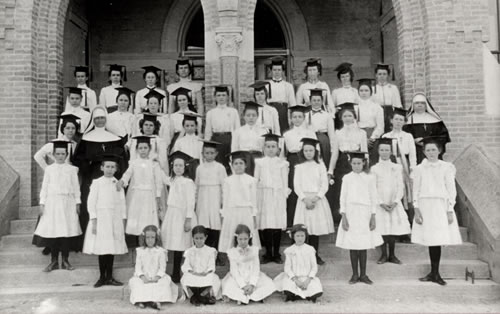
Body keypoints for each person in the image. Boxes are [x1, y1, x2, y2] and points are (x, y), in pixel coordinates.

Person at [72, 106, 128, 251]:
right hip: (92, 178)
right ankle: (87, 241)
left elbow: (121, 160)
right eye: (97, 118)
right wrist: (89, 163)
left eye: (102, 118)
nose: (100, 120)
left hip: (111, 179)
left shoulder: (115, 139)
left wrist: (118, 176)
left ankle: (111, 243)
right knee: (89, 206)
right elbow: (78, 159)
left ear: (106, 119)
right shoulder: (86, 138)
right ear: (93, 120)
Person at [411, 138, 462, 286]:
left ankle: (436, 273)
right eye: (428, 150)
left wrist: (449, 209)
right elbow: (416, 190)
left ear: (439, 151)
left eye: (434, 150)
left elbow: (451, 190)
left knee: (438, 240)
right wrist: (416, 209)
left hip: (440, 206)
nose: (431, 153)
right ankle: (433, 273)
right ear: (424, 152)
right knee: (430, 240)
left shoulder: (447, 167)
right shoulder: (419, 169)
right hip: (425, 205)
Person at [33, 140, 81, 272]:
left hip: (67, 203)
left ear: (66, 155)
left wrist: (77, 202)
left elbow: (76, 187)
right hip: (52, 203)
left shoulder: (72, 170)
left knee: (65, 232)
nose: (60, 156)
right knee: (54, 232)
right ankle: (54, 261)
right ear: (53, 154)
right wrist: (42, 203)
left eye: (63, 153)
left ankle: (65, 260)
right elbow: (45, 187)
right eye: (58, 153)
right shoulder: (49, 169)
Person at [335, 152, 383, 285]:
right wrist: (344, 216)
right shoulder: (347, 178)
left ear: (364, 163)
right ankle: (354, 274)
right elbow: (342, 198)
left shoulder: (370, 178)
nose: (356, 166)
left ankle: (363, 274)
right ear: (350, 164)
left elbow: (374, 197)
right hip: (351, 213)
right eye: (354, 163)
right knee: (353, 245)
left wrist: (373, 216)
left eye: (359, 163)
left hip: (365, 213)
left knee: (363, 245)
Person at [82, 153, 128, 288]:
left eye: (112, 167)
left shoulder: (118, 183)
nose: (109, 169)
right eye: (107, 166)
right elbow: (91, 202)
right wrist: (94, 219)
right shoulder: (97, 183)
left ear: (116, 169)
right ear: (102, 168)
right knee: (103, 248)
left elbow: (122, 203)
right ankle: (102, 277)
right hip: (101, 219)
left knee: (111, 248)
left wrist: (123, 219)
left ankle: (110, 277)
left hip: (114, 219)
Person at [293, 138, 335, 265]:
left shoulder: (320, 166)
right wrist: (305, 199)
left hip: (317, 200)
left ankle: (315, 255)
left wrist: (316, 198)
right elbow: (297, 185)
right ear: (302, 152)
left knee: (315, 230)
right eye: (306, 150)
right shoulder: (299, 167)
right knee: (305, 229)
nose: (308, 153)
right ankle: (304, 256)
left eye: (311, 150)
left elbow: (324, 184)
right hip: (304, 201)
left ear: (315, 152)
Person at [117, 136, 163, 249]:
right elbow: (127, 174)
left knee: (147, 219)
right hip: (136, 196)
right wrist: (122, 181)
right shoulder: (134, 163)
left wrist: (157, 195)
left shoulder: (154, 164)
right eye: (140, 148)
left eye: (145, 148)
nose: (143, 150)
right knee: (136, 220)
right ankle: (138, 246)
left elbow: (158, 181)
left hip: (149, 196)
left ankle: (148, 246)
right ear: (137, 149)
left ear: (149, 149)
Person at [370, 138, 411, 264]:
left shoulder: (397, 167)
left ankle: (392, 255)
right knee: (382, 228)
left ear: (390, 151)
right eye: (382, 150)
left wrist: (396, 201)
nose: (384, 152)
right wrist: (380, 202)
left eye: (387, 150)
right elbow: (372, 187)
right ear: (378, 151)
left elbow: (400, 185)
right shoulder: (374, 168)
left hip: (393, 202)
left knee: (392, 229)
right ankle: (383, 254)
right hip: (380, 203)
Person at [161, 150, 198, 283]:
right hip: (173, 214)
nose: (178, 168)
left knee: (183, 244)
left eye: (180, 166)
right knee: (175, 244)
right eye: (175, 165)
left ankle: (183, 272)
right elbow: (162, 177)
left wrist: (188, 219)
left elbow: (190, 202)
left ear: (185, 167)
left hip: (183, 216)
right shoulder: (172, 180)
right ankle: (174, 272)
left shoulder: (188, 182)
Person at [329, 104, 368, 222]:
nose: (347, 118)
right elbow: (335, 153)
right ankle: (343, 217)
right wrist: (331, 170)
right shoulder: (338, 133)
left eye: (350, 115)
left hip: (356, 161)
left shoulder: (361, 133)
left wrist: (366, 167)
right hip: (343, 161)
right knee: (343, 188)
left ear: (354, 117)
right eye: (345, 116)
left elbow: (365, 151)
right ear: (341, 118)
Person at [218, 151, 261, 254]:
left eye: (241, 163)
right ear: (232, 165)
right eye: (236, 163)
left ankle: (248, 258)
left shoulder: (251, 180)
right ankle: (233, 260)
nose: (238, 166)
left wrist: (254, 215)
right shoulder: (227, 181)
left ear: (245, 165)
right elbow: (226, 199)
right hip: (232, 212)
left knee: (247, 234)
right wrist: (224, 215)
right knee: (233, 234)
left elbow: (254, 199)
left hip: (246, 211)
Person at [255, 133, 289, 264]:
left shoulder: (283, 163)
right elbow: (256, 180)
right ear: (263, 148)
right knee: (267, 224)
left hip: (278, 195)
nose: (270, 149)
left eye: (273, 146)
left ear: (278, 149)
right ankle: (268, 253)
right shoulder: (259, 163)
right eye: (268, 146)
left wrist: (284, 194)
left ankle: (277, 253)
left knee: (277, 224)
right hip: (264, 195)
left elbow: (285, 182)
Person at [221, 224, 275, 305]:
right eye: (240, 239)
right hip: (238, 278)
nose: (243, 242)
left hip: (251, 276)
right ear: (236, 238)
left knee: (269, 284)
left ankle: (250, 294)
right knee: (228, 287)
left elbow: (256, 269)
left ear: (249, 238)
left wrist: (252, 284)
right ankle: (247, 295)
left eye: (245, 239)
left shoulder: (254, 250)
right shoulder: (232, 252)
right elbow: (234, 271)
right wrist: (243, 285)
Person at [283, 105, 317, 227]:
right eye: (294, 117)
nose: (297, 119)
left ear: (304, 118)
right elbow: (283, 153)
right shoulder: (287, 134)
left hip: (306, 159)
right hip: (292, 160)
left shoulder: (310, 133)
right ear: (291, 119)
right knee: (294, 188)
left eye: (299, 117)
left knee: (306, 187)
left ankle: (309, 221)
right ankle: (293, 222)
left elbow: (315, 149)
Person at [382, 107, 417, 227]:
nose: (398, 122)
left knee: (405, 193)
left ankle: (407, 225)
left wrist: (412, 169)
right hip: (390, 165)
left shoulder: (408, 136)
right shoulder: (386, 136)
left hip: (403, 166)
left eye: (401, 120)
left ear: (404, 122)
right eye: (396, 119)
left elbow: (412, 155)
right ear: (391, 121)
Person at [129, 225, 177, 310]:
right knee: (137, 284)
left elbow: (162, 268)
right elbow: (138, 268)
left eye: (152, 237)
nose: (150, 240)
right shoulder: (140, 251)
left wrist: (157, 277)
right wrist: (142, 276)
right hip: (144, 276)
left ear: (156, 238)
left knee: (163, 284)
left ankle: (154, 301)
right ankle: (142, 301)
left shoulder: (161, 251)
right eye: (147, 237)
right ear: (144, 238)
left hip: (157, 276)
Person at [274, 224, 323, 303]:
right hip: (294, 278)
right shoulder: (289, 250)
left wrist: (308, 280)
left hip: (307, 277)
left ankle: (305, 294)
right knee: (288, 286)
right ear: (293, 237)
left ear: (305, 236)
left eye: (302, 236)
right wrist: (295, 280)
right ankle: (292, 294)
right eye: (297, 236)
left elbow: (314, 267)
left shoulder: (310, 249)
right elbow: (287, 268)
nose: (300, 238)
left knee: (317, 290)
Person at [195, 140, 226, 261]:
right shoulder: (200, 168)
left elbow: (224, 185)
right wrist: (196, 200)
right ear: (203, 153)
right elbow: (197, 185)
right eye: (206, 153)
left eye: (212, 153)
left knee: (215, 225)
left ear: (216, 153)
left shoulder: (220, 167)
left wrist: (223, 201)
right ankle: (204, 254)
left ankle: (216, 254)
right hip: (203, 197)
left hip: (215, 196)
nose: (209, 155)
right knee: (204, 225)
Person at [403, 93, 451, 164]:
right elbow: (403, 137)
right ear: (413, 105)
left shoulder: (435, 119)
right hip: (416, 152)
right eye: (417, 103)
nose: (420, 105)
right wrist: (413, 140)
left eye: (422, 103)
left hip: (432, 151)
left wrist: (430, 141)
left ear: (426, 105)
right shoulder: (408, 120)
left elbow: (444, 136)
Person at [181, 225, 221, 306]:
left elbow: (211, 265)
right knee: (185, 278)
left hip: (205, 274)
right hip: (193, 274)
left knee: (214, 278)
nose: (199, 241)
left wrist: (206, 272)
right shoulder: (189, 251)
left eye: (201, 238)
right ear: (193, 238)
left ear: (205, 237)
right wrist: (193, 272)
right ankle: (197, 296)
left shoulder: (210, 251)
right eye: (196, 238)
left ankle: (200, 296)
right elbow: (186, 265)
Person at [205, 85, 240, 172]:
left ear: (227, 97)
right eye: (219, 95)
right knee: (218, 165)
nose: (221, 98)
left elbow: (237, 130)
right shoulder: (211, 113)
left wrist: (237, 144)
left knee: (230, 164)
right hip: (216, 140)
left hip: (229, 140)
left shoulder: (233, 111)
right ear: (215, 97)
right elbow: (208, 131)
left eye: (223, 95)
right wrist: (207, 145)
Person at [231, 101, 268, 176]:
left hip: (258, 158)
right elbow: (234, 149)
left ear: (257, 116)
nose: (251, 118)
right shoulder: (238, 131)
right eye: (248, 115)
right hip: (244, 158)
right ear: (244, 116)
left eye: (253, 115)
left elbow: (265, 149)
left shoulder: (263, 131)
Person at [356, 78, 384, 164]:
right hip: (358, 135)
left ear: (370, 92)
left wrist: (372, 138)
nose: (364, 93)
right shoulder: (355, 108)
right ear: (358, 92)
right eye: (361, 90)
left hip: (373, 137)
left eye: (366, 90)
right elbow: (354, 125)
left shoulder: (377, 107)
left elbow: (380, 127)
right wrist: (363, 139)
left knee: (373, 160)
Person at [266, 56, 296, 134]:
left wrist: (292, 119)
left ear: (282, 71)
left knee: (283, 133)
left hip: (283, 112)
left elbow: (292, 103)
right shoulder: (266, 85)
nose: (277, 72)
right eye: (274, 70)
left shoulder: (288, 85)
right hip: (270, 111)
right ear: (271, 71)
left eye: (279, 70)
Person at [371, 63, 402, 133]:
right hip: (377, 113)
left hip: (390, 112)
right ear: (376, 75)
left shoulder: (393, 88)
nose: (382, 76)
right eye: (380, 74)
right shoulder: (372, 89)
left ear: (388, 75)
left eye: (384, 74)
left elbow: (397, 104)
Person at [172, 113, 203, 180]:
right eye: (187, 126)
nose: (189, 128)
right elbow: (177, 158)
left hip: (196, 167)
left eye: (192, 125)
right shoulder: (179, 142)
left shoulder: (200, 141)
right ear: (183, 127)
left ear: (196, 126)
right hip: (184, 168)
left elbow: (202, 157)